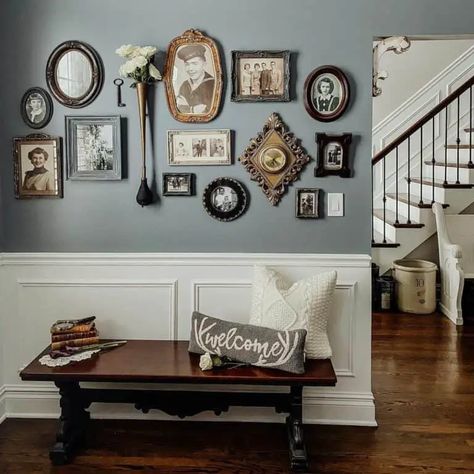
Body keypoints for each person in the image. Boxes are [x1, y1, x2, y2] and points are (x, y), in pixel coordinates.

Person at [176, 44, 215, 114]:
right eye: (187, 64)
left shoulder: (212, 84)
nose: (190, 69)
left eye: (195, 63)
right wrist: (192, 110)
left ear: (204, 64)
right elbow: (179, 108)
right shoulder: (184, 85)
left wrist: (186, 108)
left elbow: (208, 111)